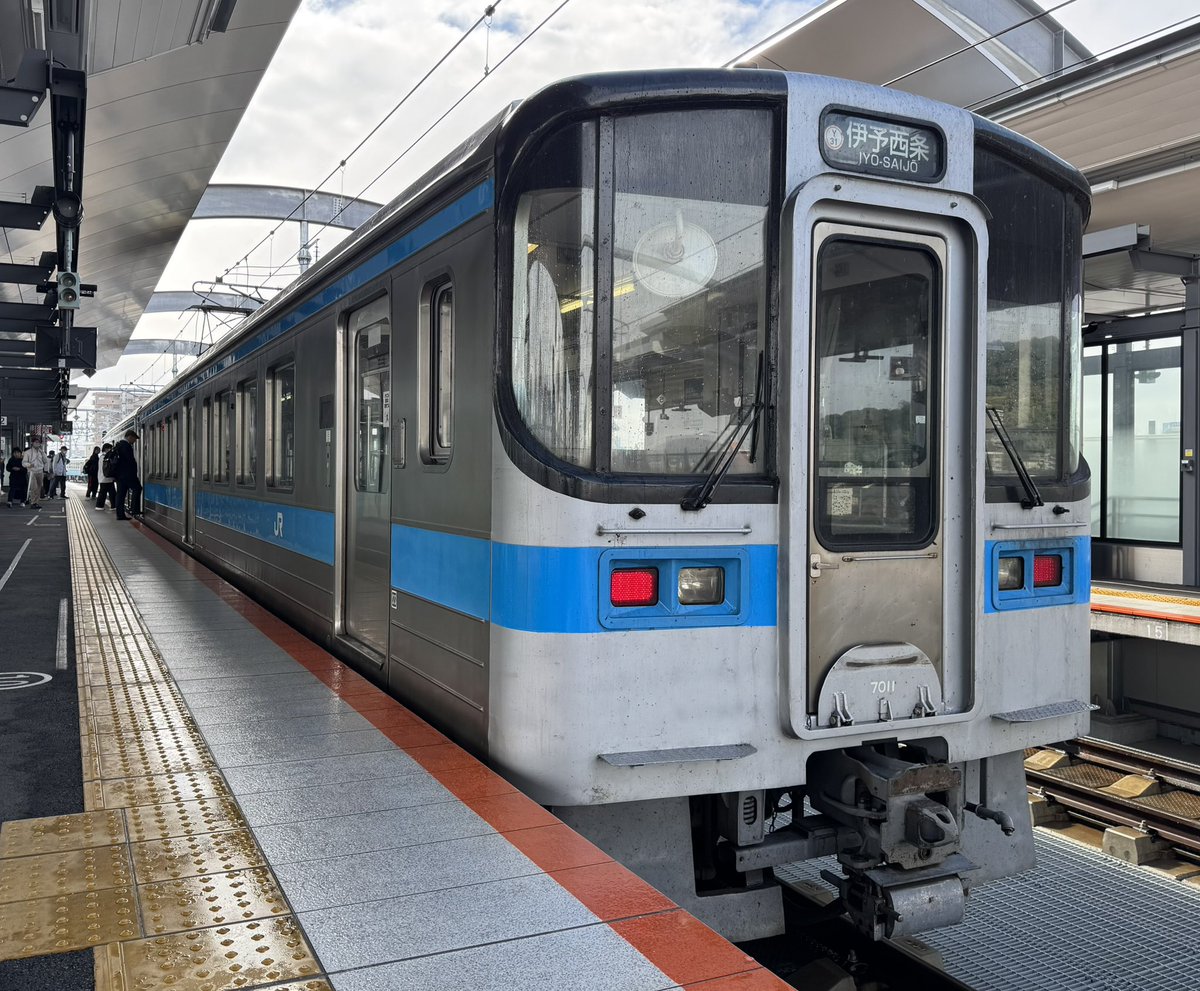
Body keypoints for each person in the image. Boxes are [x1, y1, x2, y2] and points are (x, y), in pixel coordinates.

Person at [113, 430, 142, 520]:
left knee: (120, 495)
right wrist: (134, 473)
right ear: (130, 437)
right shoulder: (126, 446)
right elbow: (129, 461)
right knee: (137, 488)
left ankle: (120, 515)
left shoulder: (119, 445)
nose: (134, 441)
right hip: (127, 475)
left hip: (120, 475)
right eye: (134, 439)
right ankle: (134, 509)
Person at [23, 438, 46, 509]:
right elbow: (23, 463)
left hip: (40, 471)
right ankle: (33, 502)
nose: (37, 443)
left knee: (39, 488)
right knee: (34, 487)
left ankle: (36, 502)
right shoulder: (28, 452)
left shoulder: (41, 452)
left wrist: (43, 453)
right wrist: (29, 465)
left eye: (38, 442)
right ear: (32, 443)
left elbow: (45, 461)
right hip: (31, 471)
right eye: (35, 442)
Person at [95, 443, 117, 511]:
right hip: (106, 478)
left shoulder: (102, 457)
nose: (111, 450)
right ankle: (99, 506)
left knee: (110, 492)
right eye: (110, 448)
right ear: (106, 449)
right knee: (104, 493)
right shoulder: (105, 456)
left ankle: (113, 505)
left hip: (105, 478)